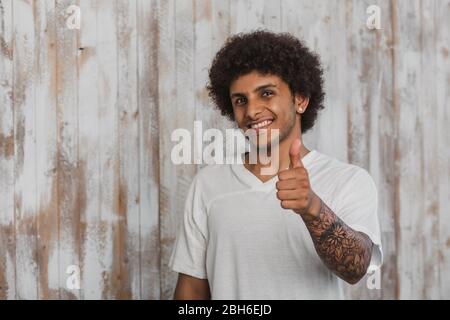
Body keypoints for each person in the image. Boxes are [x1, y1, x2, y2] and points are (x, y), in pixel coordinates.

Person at [169, 30, 382, 299]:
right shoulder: (208, 184)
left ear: (300, 100)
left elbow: (356, 269)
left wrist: (312, 208)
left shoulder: (347, 179)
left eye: (266, 93)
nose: (252, 111)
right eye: (240, 100)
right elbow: (191, 290)